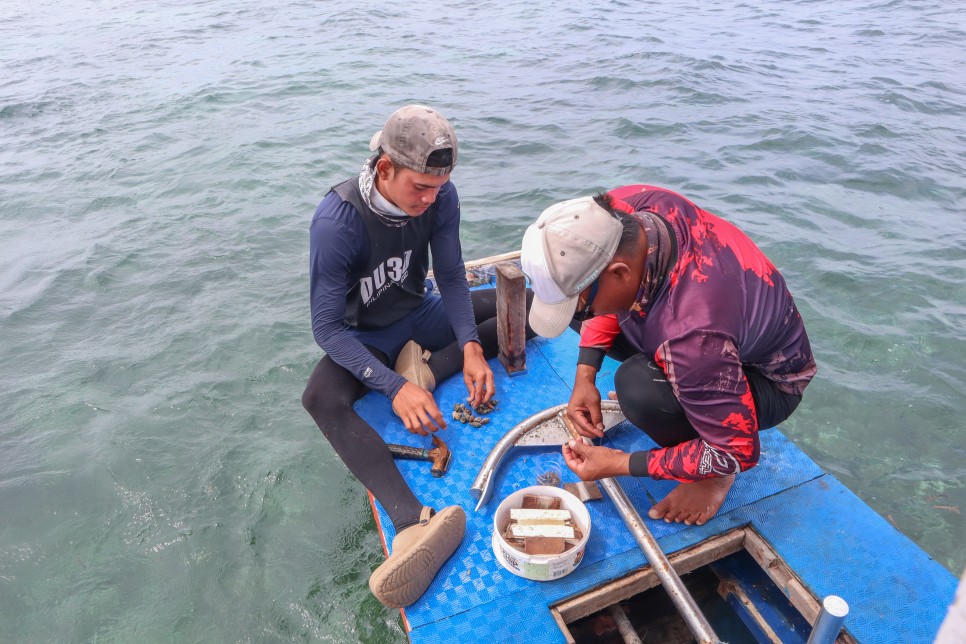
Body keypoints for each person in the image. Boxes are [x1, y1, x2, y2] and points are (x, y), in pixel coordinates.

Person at [301, 105, 521, 608]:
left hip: (418, 315)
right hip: (367, 336)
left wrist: (467, 348)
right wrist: (394, 386)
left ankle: (431, 364)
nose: (429, 198)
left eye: (438, 188)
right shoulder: (337, 222)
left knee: (516, 308)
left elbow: (449, 274)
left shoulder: (440, 200)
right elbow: (326, 329)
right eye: (419, 187)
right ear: (384, 169)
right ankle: (410, 524)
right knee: (319, 398)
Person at [520, 185, 816, 527]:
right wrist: (584, 376)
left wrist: (618, 463)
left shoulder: (693, 338)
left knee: (639, 389)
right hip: (712, 337)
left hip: (768, 382)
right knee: (581, 309)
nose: (582, 315)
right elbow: (599, 286)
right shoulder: (625, 209)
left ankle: (713, 478)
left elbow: (738, 450)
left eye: (584, 306)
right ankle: (690, 389)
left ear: (620, 273)